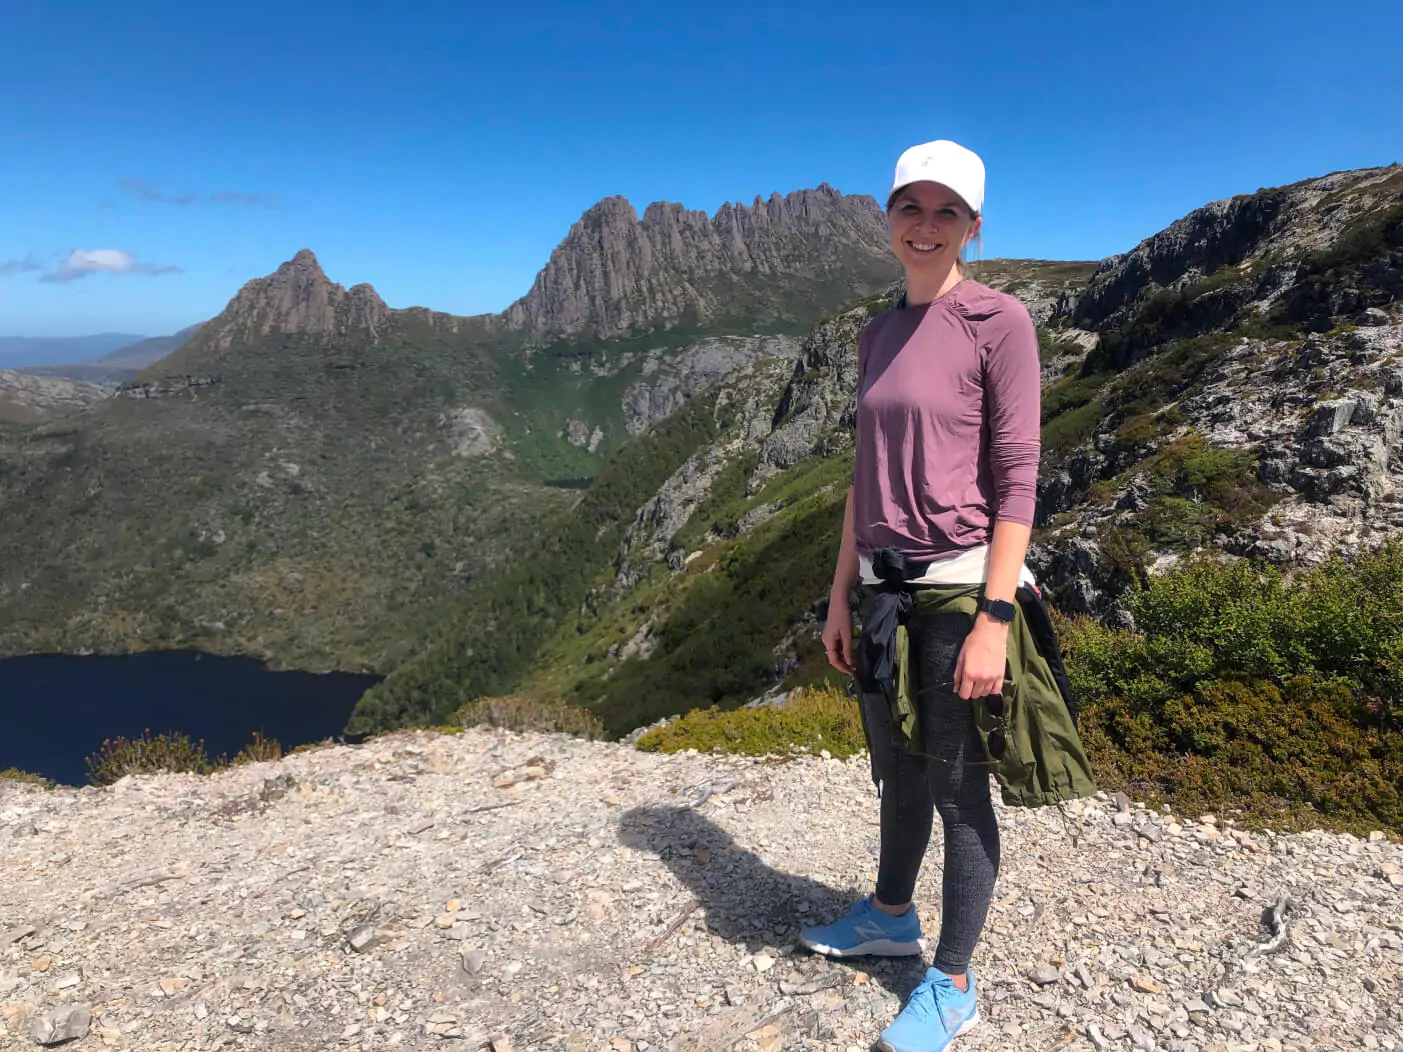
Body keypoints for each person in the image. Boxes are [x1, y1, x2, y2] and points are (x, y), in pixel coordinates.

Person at [799, 139, 1043, 1052]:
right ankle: (889, 914)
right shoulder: (876, 332)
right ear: (888, 219)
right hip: (879, 590)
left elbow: (1018, 476)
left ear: (973, 228)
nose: (927, 226)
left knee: (956, 783)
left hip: (954, 594)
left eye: (948, 213)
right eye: (912, 207)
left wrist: (995, 616)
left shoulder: (998, 321)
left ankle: (952, 982)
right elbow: (862, 479)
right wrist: (838, 595)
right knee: (894, 770)